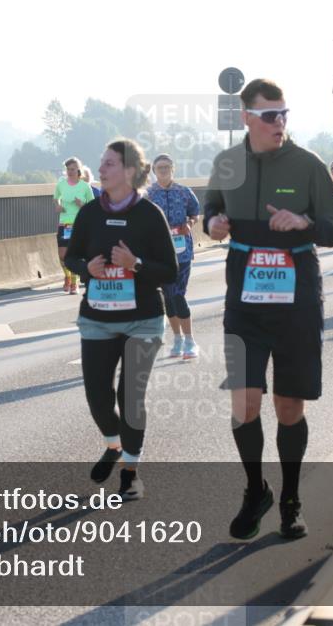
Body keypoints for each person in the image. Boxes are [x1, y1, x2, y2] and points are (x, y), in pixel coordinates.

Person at [204, 78, 333, 540]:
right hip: (244, 301)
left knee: (289, 407)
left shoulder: (307, 165)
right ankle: (256, 490)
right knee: (245, 404)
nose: (279, 122)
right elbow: (209, 210)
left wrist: (306, 222)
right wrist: (213, 222)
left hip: (296, 301)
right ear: (247, 117)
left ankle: (290, 499)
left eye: (284, 113)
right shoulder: (227, 163)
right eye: (270, 115)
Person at [64, 139, 177, 501]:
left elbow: (169, 271)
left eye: (109, 164)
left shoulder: (149, 215)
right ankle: (114, 445)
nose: (100, 170)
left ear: (129, 171)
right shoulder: (89, 213)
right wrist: (87, 268)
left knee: (131, 396)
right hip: (98, 318)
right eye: (101, 163)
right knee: (98, 397)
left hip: (142, 320)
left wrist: (136, 264)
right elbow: (72, 257)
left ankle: (130, 471)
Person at [146, 153, 202, 359]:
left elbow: (195, 212)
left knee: (178, 294)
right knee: (168, 297)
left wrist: (190, 223)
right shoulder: (148, 195)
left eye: (167, 167)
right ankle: (177, 339)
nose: (164, 170)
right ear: (153, 170)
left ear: (173, 169)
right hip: (160, 254)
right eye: (160, 167)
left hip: (182, 252)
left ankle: (190, 340)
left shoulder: (184, 192)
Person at [54, 157, 96, 294]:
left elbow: (92, 206)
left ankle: (74, 282)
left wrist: (82, 205)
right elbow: (56, 198)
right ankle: (67, 276)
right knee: (62, 254)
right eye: (67, 169)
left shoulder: (85, 186)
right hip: (64, 223)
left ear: (78, 170)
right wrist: (58, 206)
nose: (70, 172)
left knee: (75, 255)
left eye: (72, 169)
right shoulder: (61, 184)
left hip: (79, 224)